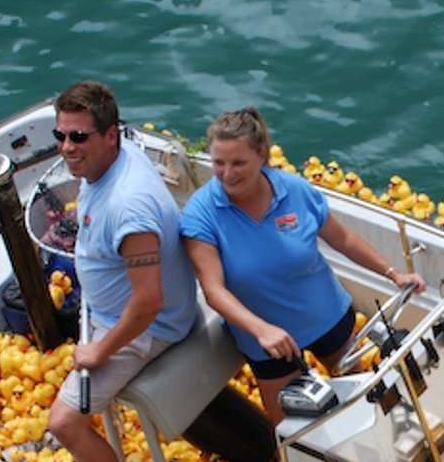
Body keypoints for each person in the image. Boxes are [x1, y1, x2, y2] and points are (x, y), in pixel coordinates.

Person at [180, 107, 425, 424]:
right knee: (289, 431)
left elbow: (343, 239)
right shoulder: (201, 214)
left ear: (262, 156)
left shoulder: (294, 190)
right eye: (218, 163)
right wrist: (262, 330)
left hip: (328, 316)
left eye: (238, 163)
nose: (227, 173)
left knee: (370, 404)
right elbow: (213, 290)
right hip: (267, 343)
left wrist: (393, 274)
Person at [44, 80, 200, 462]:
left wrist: (100, 350)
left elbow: (148, 303)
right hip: (107, 309)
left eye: (80, 138)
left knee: (65, 421)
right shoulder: (119, 157)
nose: (68, 149)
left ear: (111, 134)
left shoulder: (128, 206)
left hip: (144, 329)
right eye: (61, 136)